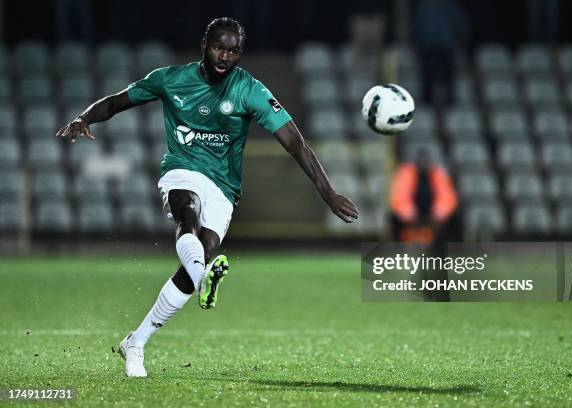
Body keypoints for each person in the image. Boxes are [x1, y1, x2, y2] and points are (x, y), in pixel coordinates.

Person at [56, 17, 359, 378]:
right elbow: (118, 102)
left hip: (224, 188)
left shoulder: (250, 90)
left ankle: (135, 342)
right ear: (204, 44)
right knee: (189, 216)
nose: (224, 56)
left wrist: (327, 191)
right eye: (219, 47)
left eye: (233, 51)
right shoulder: (170, 79)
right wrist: (84, 117)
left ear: (239, 54)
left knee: (196, 258)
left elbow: (295, 143)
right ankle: (203, 278)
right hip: (181, 170)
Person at [389, 150, 457, 244]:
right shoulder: (406, 173)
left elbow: (447, 198)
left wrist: (437, 215)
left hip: (433, 216)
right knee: (393, 218)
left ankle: (445, 251)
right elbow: (398, 198)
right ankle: (398, 250)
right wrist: (411, 216)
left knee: (455, 219)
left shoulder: (438, 173)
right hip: (411, 218)